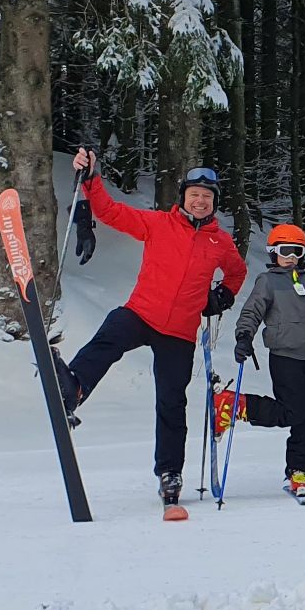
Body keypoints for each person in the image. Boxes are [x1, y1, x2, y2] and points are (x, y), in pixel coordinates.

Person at [51, 149, 246, 511]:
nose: (200, 201)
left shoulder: (221, 242)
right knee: (112, 330)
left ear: (214, 202)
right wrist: (92, 179)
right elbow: (110, 213)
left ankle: (170, 472)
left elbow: (237, 273)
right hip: (143, 312)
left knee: (171, 402)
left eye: (207, 197)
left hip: (181, 332)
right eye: (194, 195)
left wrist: (223, 296)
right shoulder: (158, 223)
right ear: (183, 197)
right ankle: (74, 387)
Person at [221, 224, 305, 499]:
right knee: (292, 412)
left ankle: (299, 471)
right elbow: (252, 311)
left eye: (297, 251)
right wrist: (244, 336)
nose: (291, 256)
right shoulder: (268, 281)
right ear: (273, 252)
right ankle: (236, 405)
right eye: (285, 251)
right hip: (284, 357)